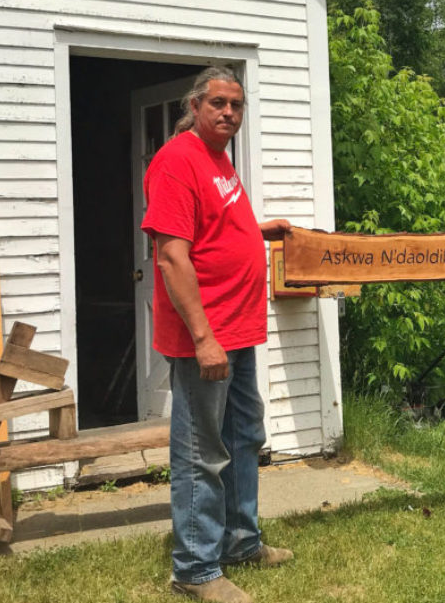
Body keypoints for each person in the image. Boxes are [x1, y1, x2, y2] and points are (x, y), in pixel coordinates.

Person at [141, 66, 292, 603]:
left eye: (237, 105)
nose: (229, 113)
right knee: (201, 451)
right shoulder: (176, 161)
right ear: (195, 105)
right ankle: (196, 569)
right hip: (206, 334)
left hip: (240, 326)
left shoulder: (219, 160)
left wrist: (259, 231)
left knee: (244, 438)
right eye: (219, 103)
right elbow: (172, 256)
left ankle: (240, 541)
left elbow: (215, 229)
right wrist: (204, 338)